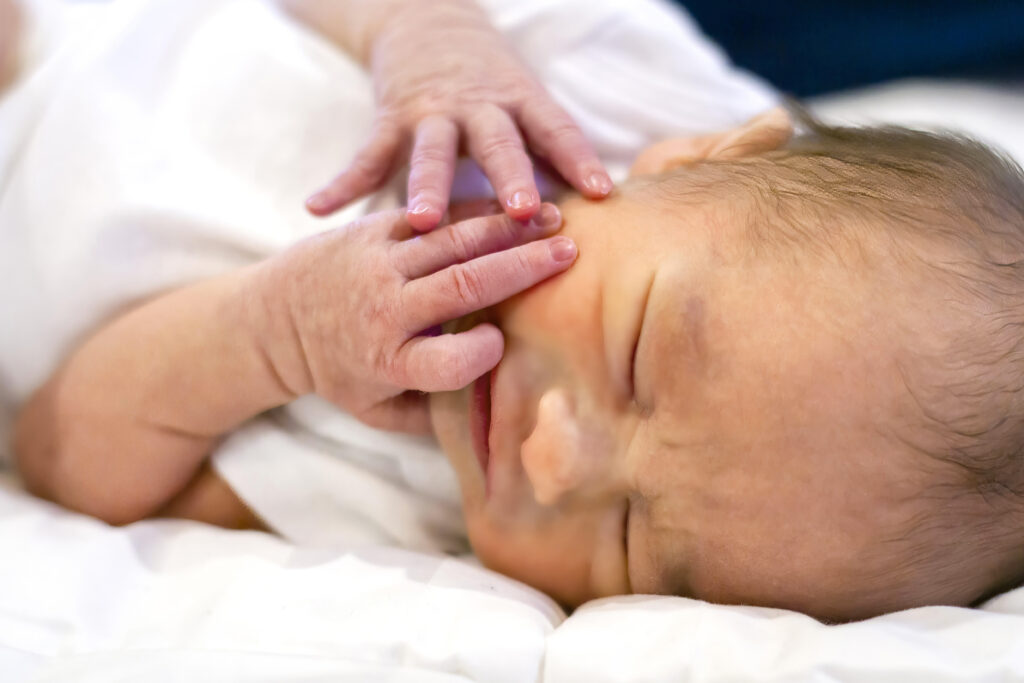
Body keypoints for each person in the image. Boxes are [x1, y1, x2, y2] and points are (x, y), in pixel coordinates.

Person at [9, 0, 1024, 624]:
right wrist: (427, 27)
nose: (552, 460)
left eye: (631, 542)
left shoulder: (402, 491)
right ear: (714, 155)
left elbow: (62, 449)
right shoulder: (617, 89)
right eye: (634, 357)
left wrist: (274, 336)